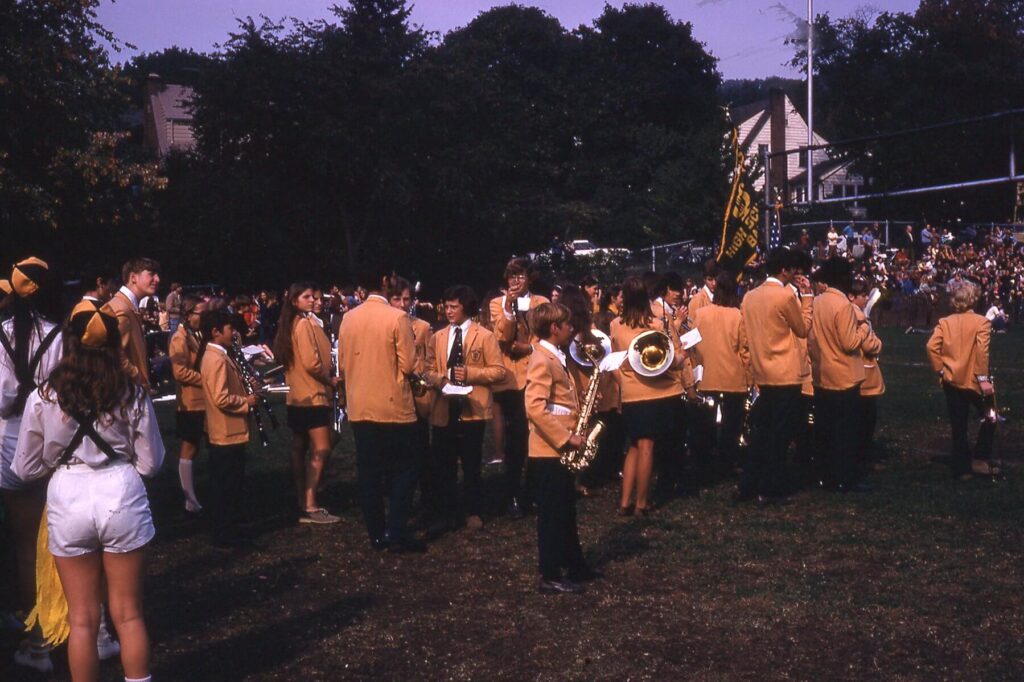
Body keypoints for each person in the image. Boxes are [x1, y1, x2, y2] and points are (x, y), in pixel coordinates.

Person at [13, 300, 164, 682]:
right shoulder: (131, 391)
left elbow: (25, 468)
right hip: (120, 492)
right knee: (129, 614)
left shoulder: (43, 395)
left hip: (69, 493)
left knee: (82, 620)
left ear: (70, 340)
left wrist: (59, 461)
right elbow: (151, 463)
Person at [0, 258, 69, 673]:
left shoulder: (3, 334)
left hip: (10, 440)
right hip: (52, 436)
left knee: (26, 546)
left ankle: (38, 634)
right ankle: (74, 626)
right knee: (61, 539)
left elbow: (3, 396)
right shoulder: (60, 333)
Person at [337, 266, 424, 552]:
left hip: (361, 405)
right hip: (393, 406)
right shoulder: (397, 318)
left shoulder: (348, 318)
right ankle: (396, 530)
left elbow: (344, 361)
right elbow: (409, 365)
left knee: (369, 472)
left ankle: (376, 532)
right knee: (403, 470)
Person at [525, 302, 598, 594]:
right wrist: (567, 437)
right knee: (553, 514)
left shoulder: (555, 355)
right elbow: (534, 406)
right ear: (554, 328)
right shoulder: (541, 359)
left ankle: (575, 565)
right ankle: (550, 573)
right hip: (549, 450)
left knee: (565, 511)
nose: (571, 329)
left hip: (559, 450)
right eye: (567, 325)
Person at [424, 285, 506, 534]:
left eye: (453, 307)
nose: (448, 311)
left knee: (471, 463)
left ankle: (473, 510)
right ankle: (447, 512)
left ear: (466, 308)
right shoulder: (438, 337)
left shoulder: (485, 336)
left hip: (473, 408)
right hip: (444, 406)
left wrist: (471, 374)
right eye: (446, 307)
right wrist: (439, 381)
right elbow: (427, 368)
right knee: (444, 464)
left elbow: (499, 370)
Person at [738, 248, 813, 505]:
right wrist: (808, 298)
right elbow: (802, 329)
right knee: (780, 436)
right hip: (786, 373)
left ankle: (749, 484)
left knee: (761, 433)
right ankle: (771, 487)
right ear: (784, 270)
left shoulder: (749, 296)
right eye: (792, 270)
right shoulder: (784, 296)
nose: (794, 274)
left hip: (763, 371)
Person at [610, 276, 687, 515]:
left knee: (634, 445)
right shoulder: (658, 324)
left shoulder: (615, 325)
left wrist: (623, 385)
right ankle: (641, 503)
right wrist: (683, 347)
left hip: (631, 393)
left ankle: (625, 502)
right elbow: (674, 361)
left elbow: (615, 360)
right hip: (655, 393)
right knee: (647, 447)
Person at [273, 283, 342, 524]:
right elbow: (312, 363)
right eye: (307, 297)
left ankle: (303, 498)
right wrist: (330, 379)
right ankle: (311, 504)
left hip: (297, 396)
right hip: (312, 395)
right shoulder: (302, 325)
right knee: (322, 447)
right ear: (294, 301)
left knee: (300, 446)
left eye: (314, 296)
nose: (313, 300)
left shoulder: (294, 324)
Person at [489, 257, 549, 518]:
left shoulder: (542, 303)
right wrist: (510, 310)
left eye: (520, 276)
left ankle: (533, 492)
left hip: (536, 372)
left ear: (529, 278)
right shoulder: (496, 304)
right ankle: (511, 493)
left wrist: (528, 347)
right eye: (511, 276)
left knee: (537, 434)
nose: (515, 281)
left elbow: (545, 337)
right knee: (516, 438)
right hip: (512, 378)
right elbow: (502, 337)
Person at [808, 258, 873, 492]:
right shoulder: (843, 305)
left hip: (822, 373)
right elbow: (849, 342)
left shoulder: (817, 302)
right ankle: (845, 477)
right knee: (846, 433)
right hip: (845, 375)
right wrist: (863, 327)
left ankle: (825, 475)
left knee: (825, 430)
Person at [199, 309, 259, 548]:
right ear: (216, 332)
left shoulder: (219, 356)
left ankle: (230, 529)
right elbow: (221, 398)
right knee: (226, 486)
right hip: (225, 433)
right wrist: (247, 401)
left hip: (228, 432)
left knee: (230, 485)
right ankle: (224, 533)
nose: (233, 333)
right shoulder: (215, 359)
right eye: (229, 329)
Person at [926, 279, 997, 478]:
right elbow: (982, 353)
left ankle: (962, 467)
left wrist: (940, 370)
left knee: (959, 425)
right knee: (991, 416)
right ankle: (980, 458)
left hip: (951, 380)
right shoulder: (982, 322)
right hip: (975, 381)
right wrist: (983, 379)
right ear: (973, 299)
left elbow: (931, 347)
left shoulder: (944, 323)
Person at [689, 271, 751, 481]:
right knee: (731, 425)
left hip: (706, 377)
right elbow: (744, 349)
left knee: (704, 425)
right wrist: (750, 377)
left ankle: (703, 464)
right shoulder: (737, 315)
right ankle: (727, 463)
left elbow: (693, 344)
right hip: (733, 378)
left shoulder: (701, 314)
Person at [169, 294, 207, 512]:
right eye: (200, 313)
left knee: (196, 447)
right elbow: (179, 371)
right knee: (189, 447)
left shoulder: (196, 334)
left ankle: (193, 495)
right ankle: (189, 498)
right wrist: (207, 380)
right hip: (191, 402)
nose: (203, 317)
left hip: (202, 401)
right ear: (188, 314)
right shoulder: (179, 338)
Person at [103, 258, 160, 390]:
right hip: (129, 395)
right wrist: (138, 376)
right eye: (151, 274)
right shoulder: (120, 309)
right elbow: (114, 354)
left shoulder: (126, 307)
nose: (157, 279)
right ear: (133, 277)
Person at [849, 278, 885, 464]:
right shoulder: (858, 316)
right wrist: (878, 342)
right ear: (852, 297)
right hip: (864, 370)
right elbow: (870, 344)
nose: (865, 299)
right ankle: (862, 455)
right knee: (866, 418)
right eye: (862, 295)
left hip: (858, 370)